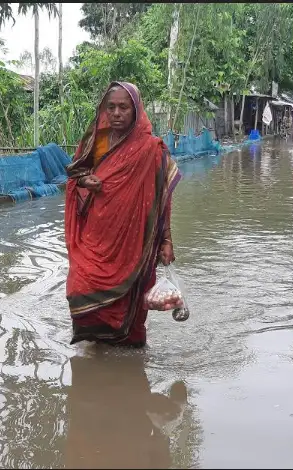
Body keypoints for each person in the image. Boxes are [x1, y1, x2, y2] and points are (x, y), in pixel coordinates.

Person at [64, 81, 182, 348]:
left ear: (136, 110)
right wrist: (85, 181)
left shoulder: (152, 148)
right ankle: (95, 342)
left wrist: (166, 239)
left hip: (135, 236)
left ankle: (130, 350)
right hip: (97, 233)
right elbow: (74, 174)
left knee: (132, 292)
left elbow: (163, 197)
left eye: (123, 107)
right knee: (79, 286)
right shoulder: (96, 139)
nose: (116, 113)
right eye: (111, 107)